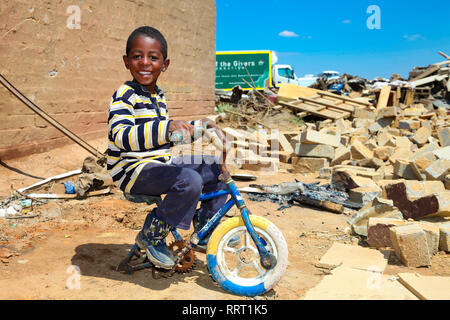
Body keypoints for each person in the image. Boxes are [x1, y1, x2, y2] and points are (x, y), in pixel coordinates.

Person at [107, 26, 230, 270]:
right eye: (137, 56)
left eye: (153, 57)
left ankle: (204, 226)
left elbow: (170, 136)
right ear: (126, 61)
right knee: (189, 181)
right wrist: (166, 128)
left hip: (158, 164)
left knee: (214, 168)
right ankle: (152, 234)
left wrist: (202, 127)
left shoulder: (159, 96)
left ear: (165, 64)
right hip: (132, 169)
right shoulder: (124, 95)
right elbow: (121, 136)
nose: (144, 63)